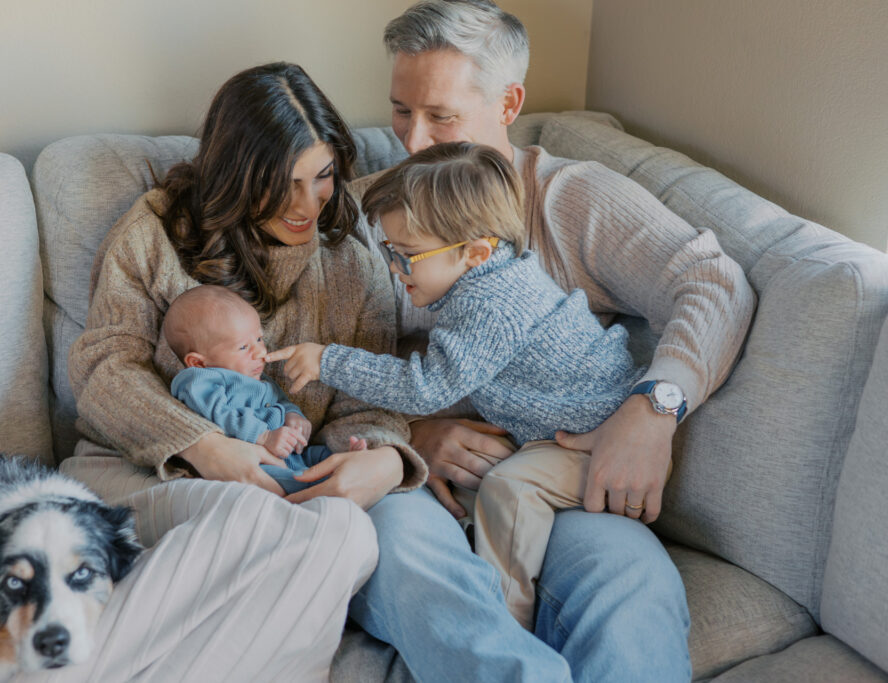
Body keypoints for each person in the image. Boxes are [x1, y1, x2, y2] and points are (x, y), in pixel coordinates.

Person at [338, 1, 756, 681]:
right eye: (400, 112)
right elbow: (305, 360)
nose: (412, 142)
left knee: (632, 586)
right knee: (400, 556)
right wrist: (409, 430)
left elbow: (712, 282)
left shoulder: (569, 201)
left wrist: (652, 410)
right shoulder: (369, 213)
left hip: (557, 477)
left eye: (441, 117)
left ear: (508, 102)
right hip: (417, 486)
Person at [56, 61, 427, 681]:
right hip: (141, 472)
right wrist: (207, 447)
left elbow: (370, 396)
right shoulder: (153, 235)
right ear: (236, 174)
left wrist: (380, 455)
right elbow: (103, 369)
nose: (309, 204)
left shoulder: (349, 265)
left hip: (280, 487)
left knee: (352, 535)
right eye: (286, 183)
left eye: (325, 176)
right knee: (256, 518)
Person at [271, 140, 659, 630]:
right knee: (481, 488)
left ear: (475, 252)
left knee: (508, 490)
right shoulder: (485, 279)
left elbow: (424, 389)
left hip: (595, 443)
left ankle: (508, 617)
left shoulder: (491, 305)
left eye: (407, 255)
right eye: (390, 250)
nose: (394, 268)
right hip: (561, 432)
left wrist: (329, 361)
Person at [164, 283, 368, 494]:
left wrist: (293, 415)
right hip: (255, 461)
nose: (260, 351)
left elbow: (280, 400)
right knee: (295, 479)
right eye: (243, 347)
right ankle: (324, 483)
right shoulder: (198, 381)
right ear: (198, 362)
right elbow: (220, 414)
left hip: (292, 454)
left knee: (323, 454)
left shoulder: (256, 377)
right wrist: (263, 436)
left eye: (259, 339)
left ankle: (346, 461)